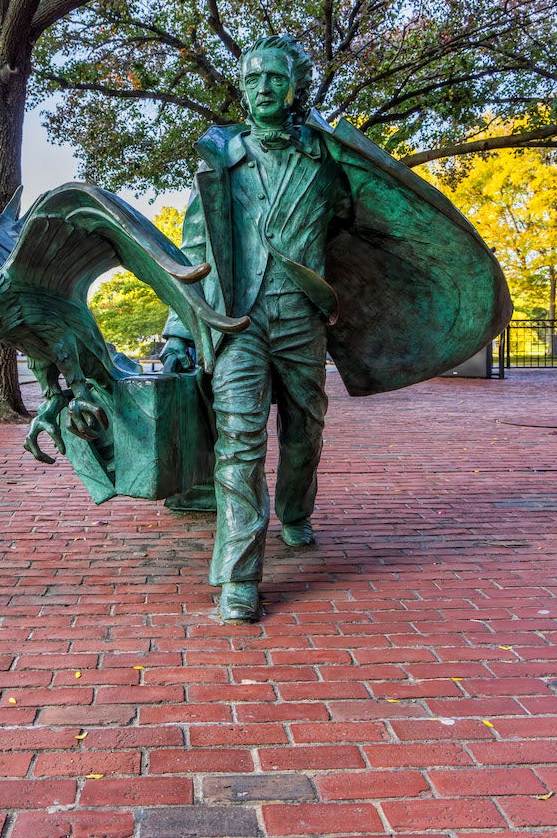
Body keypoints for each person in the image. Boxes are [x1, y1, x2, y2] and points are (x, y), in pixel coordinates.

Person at [161, 35, 511, 623]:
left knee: (303, 433)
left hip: (301, 318)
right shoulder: (218, 166)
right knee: (239, 443)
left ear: (295, 86)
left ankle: (295, 512)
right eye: (253, 79)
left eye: (275, 77)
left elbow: (377, 226)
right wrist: (178, 331)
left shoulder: (325, 163)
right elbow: (193, 251)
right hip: (236, 321)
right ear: (242, 89)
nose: (263, 88)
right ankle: (240, 577)